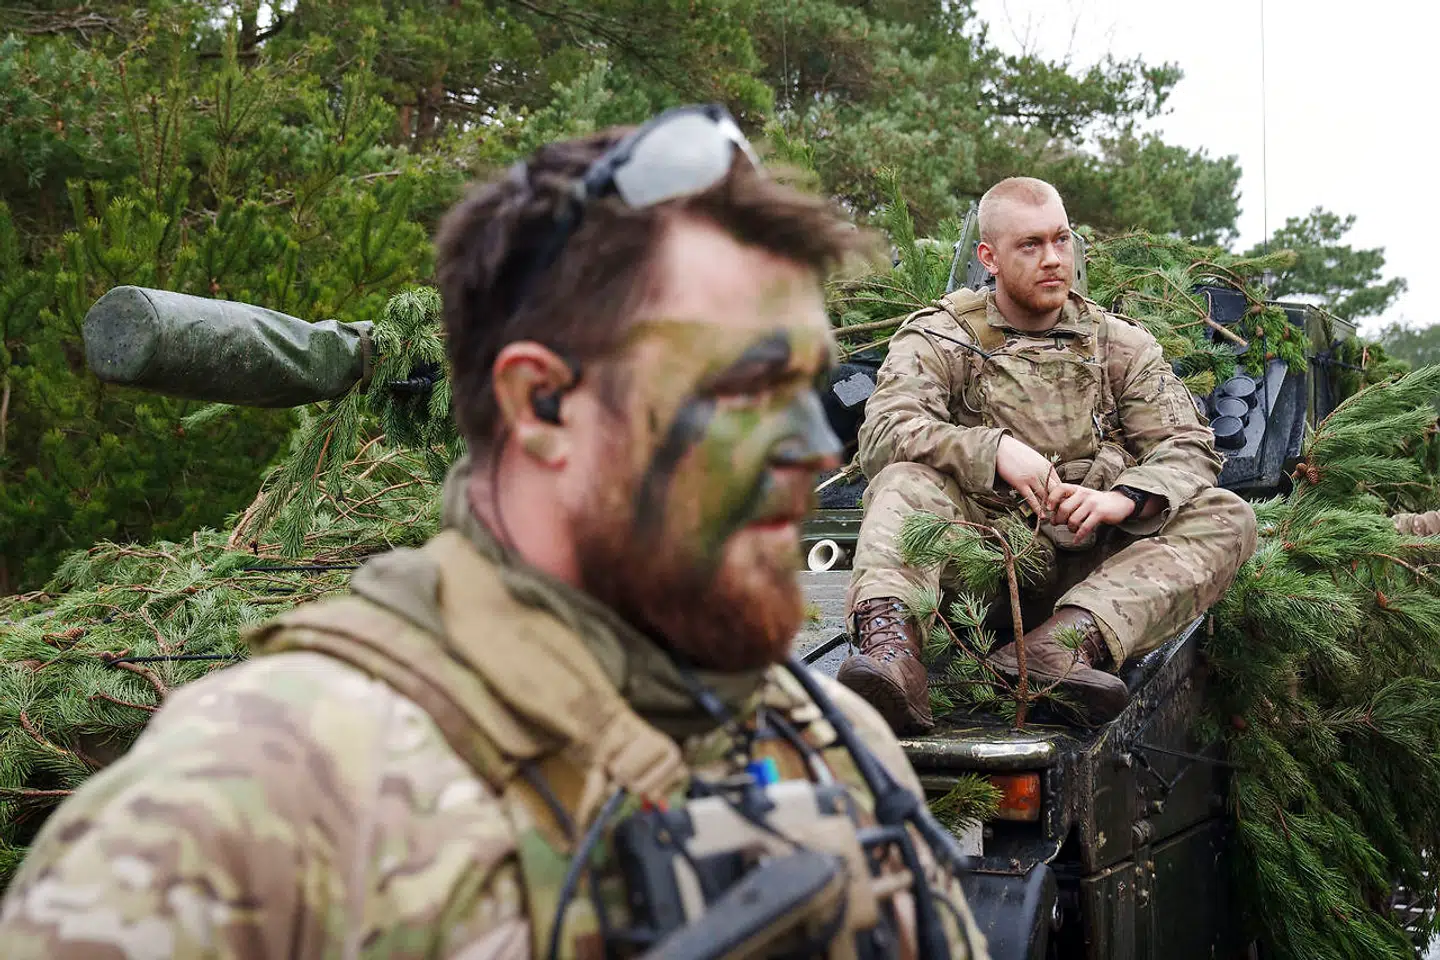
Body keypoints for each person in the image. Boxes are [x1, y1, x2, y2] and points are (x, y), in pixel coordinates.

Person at [0, 106, 989, 959]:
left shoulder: (836, 744)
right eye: (745, 389)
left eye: (813, 390)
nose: (818, 452)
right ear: (542, 405)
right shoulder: (251, 808)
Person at [837, 176, 1258, 734]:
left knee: (1227, 515)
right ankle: (892, 653)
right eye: (1030, 245)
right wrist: (993, 450)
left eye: (1061, 240)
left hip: (1089, 573)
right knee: (903, 481)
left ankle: (1059, 650)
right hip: (981, 571)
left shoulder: (1118, 344)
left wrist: (1123, 500)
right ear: (988, 257)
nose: (1053, 259)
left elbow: (1187, 445)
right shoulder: (941, 337)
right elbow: (884, 431)